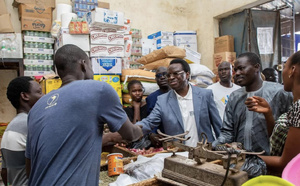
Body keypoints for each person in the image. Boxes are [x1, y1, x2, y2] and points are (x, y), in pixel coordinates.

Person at [25, 44, 143, 186]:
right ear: (83, 64)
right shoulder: (98, 89)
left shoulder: (37, 107)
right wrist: (143, 127)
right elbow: (130, 134)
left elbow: (30, 166)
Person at [213, 52, 293, 155]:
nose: (237, 73)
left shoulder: (279, 92)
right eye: (235, 70)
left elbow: (290, 130)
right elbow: (227, 132)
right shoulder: (234, 97)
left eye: (241, 68)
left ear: (256, 67)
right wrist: (214, 146)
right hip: (241, 162)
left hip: (272, 162)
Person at [136, 58, 222, 147]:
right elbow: (149, 122)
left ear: (187, 74)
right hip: (178, 155)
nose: (171, 77)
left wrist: (217, 146)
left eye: (176, 74)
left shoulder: (205, 95)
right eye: (168, 75)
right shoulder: (162, 100)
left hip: (205, 153)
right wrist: (131, 130)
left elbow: (218, 127)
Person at [245, 51, 300, 174]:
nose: (283, 72)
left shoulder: (299, 108)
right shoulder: (295, 105)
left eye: (285, 67)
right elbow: (280, 142)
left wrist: (244, 158)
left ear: (292, 70)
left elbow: (285, 163)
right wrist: (268, 113)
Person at [1, 77, 43, 186]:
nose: (43, 96)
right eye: (39, 92)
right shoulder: (29, 124)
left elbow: (4, 172)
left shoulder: (11, 127)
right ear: (24, 96)